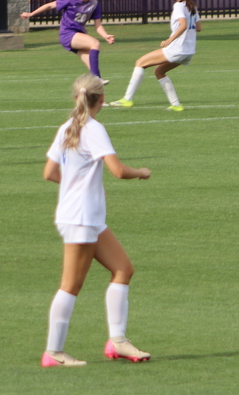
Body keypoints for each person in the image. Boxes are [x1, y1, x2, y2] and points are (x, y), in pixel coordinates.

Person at [40, 74, 152, 368]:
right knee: (71, 285)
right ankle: (53, 352)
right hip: (81, 218)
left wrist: (75, 185)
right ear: (100, 100)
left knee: (123, 269)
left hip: (85, 216)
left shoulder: (67, 127)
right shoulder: (93, 128)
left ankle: (118, 341)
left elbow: (50, 172)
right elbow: (117, 170)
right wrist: (141, 171)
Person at [109, 0, 201, 111]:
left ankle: (127, 99)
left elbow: (183, 25)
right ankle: (176, 105)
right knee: (159, 71)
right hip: (189, 51)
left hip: (176, 49)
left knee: (140, 62)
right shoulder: (192, 6)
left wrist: (169, 40)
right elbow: (198, 28)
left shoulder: (178, 5)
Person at [21, 0, 115, 83]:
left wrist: (105, 35)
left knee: (91, 64)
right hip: (67, 34)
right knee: (95, 43)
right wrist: (31, 14)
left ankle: (96, 92)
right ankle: (96, 78)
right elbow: (50, 5)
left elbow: (98, 25)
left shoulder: (94, 4)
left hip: (79, 35)